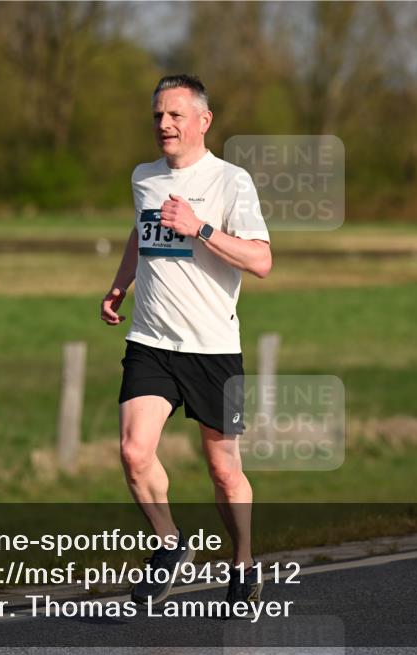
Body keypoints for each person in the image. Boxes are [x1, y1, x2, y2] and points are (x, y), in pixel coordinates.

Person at [100, 74, 272, 608]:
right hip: (151, 340)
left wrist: (198, 228)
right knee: (133, 451)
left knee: (223, 470)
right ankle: (170, 544)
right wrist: (120, 282)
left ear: (204, 121)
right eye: (157, 115)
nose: (164, 125)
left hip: (212, 347)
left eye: (175, 115)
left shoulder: (231, 181)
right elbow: (141, 229)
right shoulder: (144, 177)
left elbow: (261, 261)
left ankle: (243, 562)